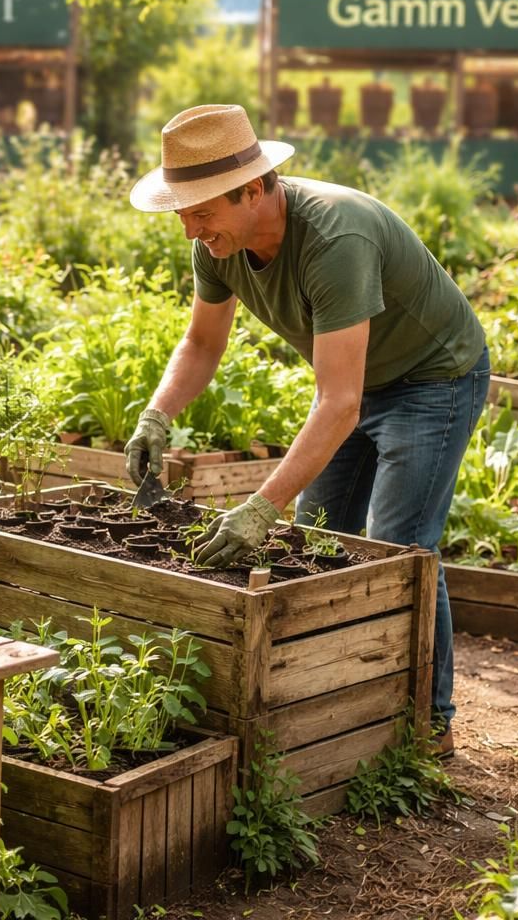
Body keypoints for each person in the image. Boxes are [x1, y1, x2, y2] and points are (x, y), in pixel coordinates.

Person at [123, 104, 489, 752]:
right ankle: (342, 701)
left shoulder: (333, 240)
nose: (189, 228)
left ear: (255, 189)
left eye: (200, 209)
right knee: (320, 544)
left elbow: (339, 403)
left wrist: (260, 505)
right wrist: (157, 414)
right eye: (182, 210)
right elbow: (203, 344)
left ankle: (429, 727)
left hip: (434, 379)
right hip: (359, 385)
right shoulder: (221, 244)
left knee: (400, 549)